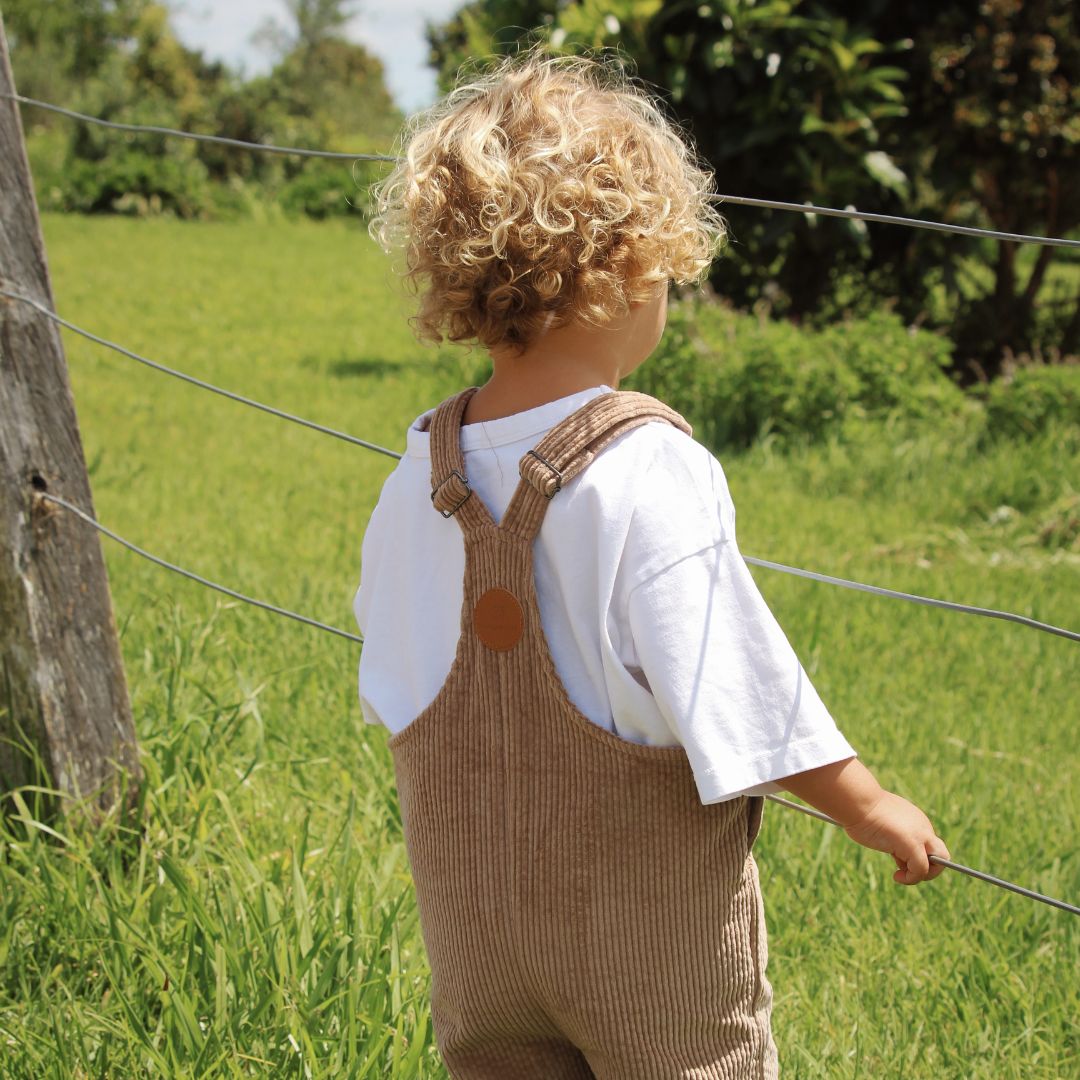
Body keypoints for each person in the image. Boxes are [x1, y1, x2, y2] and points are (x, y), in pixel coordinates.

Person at [353, 46, 950, 1079]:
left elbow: (394, 672)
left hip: (475, 934)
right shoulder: (645, 467)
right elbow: (737, 684)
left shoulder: (420, 470)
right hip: (641, 945)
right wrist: (867, 803)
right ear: (630, 266)